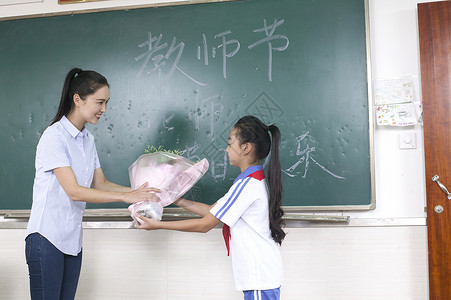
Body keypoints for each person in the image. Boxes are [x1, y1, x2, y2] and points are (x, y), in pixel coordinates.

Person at [25, 67, 159, 300]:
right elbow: (74, 191)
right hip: (45, 238)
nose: (104, 109)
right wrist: (127, 197)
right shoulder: (54, 137)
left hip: (72, 241)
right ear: (77, 99)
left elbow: (101, 183)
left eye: (106, 102)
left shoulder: (88, 139)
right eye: (100, 102)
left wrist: (140, 192)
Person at [135, 115, 285, 300]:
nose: (226, 149)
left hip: (260, 277)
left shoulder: (247, 186)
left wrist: (159, 225)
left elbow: (205, 224)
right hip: (263, 275)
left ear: (246, 148)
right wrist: (174, 198)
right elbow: (213, 211)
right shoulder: (251, 181)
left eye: (230, 143)